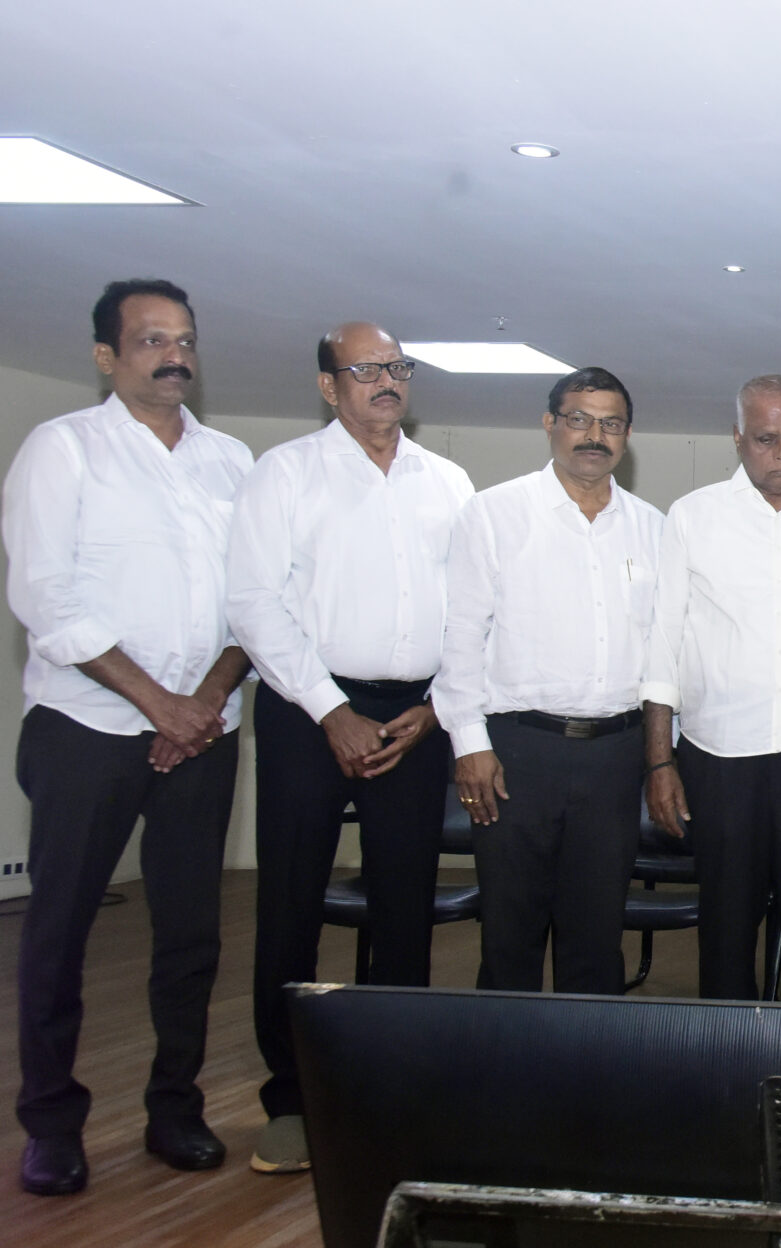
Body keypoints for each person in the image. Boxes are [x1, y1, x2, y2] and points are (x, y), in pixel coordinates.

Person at [6, 279, 252, 1194]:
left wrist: (204, 701)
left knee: (191, 934)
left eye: (183, 338)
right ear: (107, 356)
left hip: (206, 728)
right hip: (88, 727)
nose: (173, 354)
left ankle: (174, 1107)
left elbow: (259, 599)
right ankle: (51, 1124)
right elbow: (44, 597)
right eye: (150, 340)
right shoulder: (64, 448)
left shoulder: (231, 461)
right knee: (60, 931)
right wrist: (160, 703)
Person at [225, 321, 475, 1175]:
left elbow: (471, 610)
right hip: (307, 710)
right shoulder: (285, 473)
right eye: (365, 369)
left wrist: (438, 708)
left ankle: (391, 1091)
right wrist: (331, 710)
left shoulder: (447, 481)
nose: (386, 380)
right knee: (291, 904)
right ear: (329, 387)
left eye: (397, 366)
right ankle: (291, 1100)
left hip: (415, 719)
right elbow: (254, 604)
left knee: (404, 910)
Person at [435, 367, 665, 995]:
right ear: (550, 424)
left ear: (627, 435)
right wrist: (469, 744)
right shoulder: (494, 513)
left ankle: (588, 1058)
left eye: (611, 423)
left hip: (615, 756)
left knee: (597, 934)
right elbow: (461, 636)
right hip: (517, 753)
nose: (595, 435)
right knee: (511, 933)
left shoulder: (652, 527)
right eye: (579, 419)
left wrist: (659, 755)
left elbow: (663, 649)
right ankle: (505, 1059)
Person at [642, 376, 781, 1003]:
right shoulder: (693, 516)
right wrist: (659, 761)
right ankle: (729, 1051)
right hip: (720, 755)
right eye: (766, 439)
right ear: (738, 438)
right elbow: (663, 643)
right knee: (727, 927)